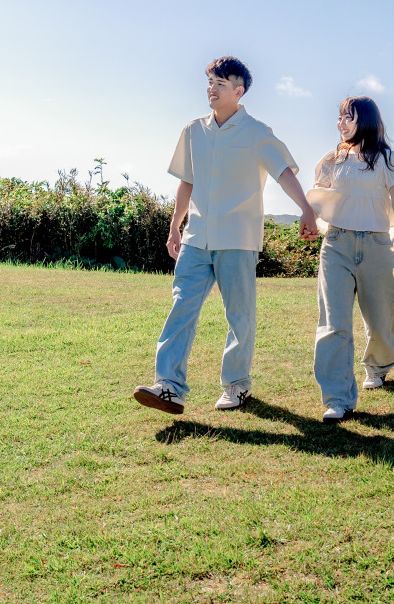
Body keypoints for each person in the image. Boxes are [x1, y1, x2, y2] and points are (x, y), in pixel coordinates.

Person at [134, 56, 318, 415]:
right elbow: (188, 181)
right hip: (197, 236)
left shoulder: (258, 132)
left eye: (221, 83)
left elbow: (283, 173)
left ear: (239, 90)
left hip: (238, 238)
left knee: (239, 315)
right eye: (210, 82)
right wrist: (175, 225)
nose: (212, 89)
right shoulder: (193, 130)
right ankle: (168, 387)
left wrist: (306, 208)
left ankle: (237, 385)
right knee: (181, 307)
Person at [306, 96, 394, 423]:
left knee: (383, 318)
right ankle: (337, 397)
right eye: (339, 117)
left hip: (378, 244)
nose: (340, 123)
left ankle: (378, 366)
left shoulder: (391, 160)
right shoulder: (332, 159)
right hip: (336, 243)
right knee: (333, 323)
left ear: (363, 119)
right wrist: (308, 219)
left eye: (346, 117)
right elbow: (319, 196)